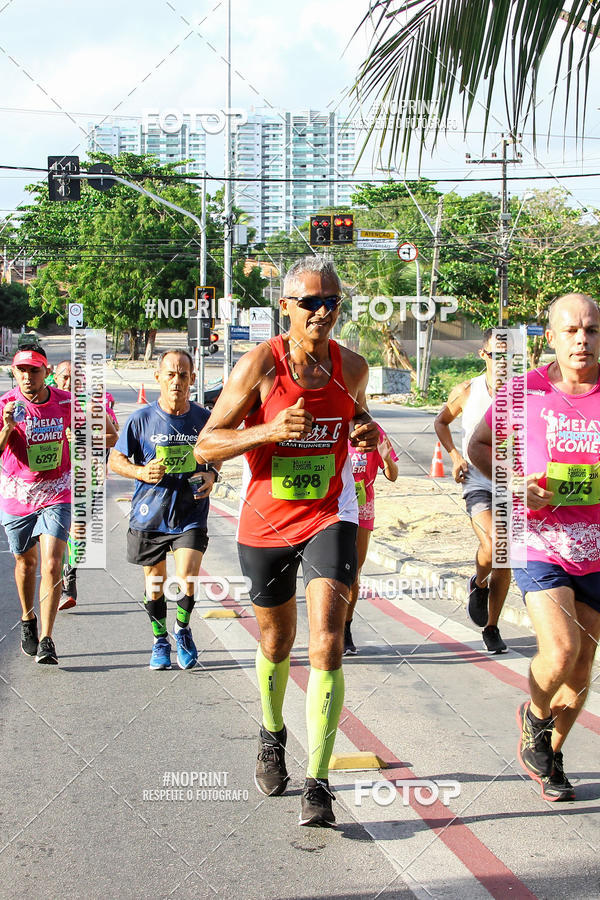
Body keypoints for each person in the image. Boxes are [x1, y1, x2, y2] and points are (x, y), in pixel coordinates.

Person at [194, 256, 379, 827]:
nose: (322, 312)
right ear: (286, 306)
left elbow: (359, 422)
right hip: (267, 521)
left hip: (331, 513)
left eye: (332, 302)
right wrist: (270, 430)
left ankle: (319, 782)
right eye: (310, 303)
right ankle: (272, 732)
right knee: (277, 642)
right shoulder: (261, 366)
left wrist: (367, 431)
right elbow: (206, 444)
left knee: (326, 641)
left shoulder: (353, 367)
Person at [469, 293, 600, 801]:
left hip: (596, 545)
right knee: (561, 649)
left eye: (591, 330)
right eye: (571, 330)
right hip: (540, 540)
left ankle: (552, 754)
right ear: (550, 337)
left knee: (583, 663)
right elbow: (482, 445)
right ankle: (535, 715)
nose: (582, 340)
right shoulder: (526, 391)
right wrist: (512, 481)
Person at [110, 350, 218, 671]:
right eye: (170, 374)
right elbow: (115, 460)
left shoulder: (203, 419)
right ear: (157, 377)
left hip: (190, 512)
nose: (177, 381)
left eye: (183, 375)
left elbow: (218, 449)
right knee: (155, 584)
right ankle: (160, 640)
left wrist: (212, 473)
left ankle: (182, 631)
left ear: (192, 380)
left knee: (187, 577)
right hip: (150, 514)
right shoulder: (140, 420)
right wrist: (141, 472)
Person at [434, 330, 511, 653]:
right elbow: (441, 422)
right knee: (493, 545)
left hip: (511, 482)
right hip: (477, 479)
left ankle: (492, 627)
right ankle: (479, 583)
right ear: (484, 355)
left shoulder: (524, 393)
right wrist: (453, 456)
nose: (502, 363)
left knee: (505, 559)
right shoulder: (468, 390)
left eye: (508, 357)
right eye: (496, 356)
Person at [1, 346, 71, 664]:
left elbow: (105, 435)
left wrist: (82, 435)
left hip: (57, 492)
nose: (28, 377)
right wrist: (7, 426)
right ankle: (28, 619)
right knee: (25, 565)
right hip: (18, 495)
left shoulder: (65, 401)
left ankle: (47, 639)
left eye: (34, 370)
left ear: (47, 372)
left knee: (52, 564)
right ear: (14, 373)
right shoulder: (6, 405)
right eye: (21, 371)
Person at [54, 360, 119, 611]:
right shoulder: (47, 405)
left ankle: (69, 579)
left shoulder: (91, 407)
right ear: (56, 379)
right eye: (64, 378)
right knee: (56, 536)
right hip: (51, 483)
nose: (69, 383)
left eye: (74, 378)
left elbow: (113, 438)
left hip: (84, 479)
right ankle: (58, 579)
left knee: (78, 531)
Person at [344, 424, 398, 654]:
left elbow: (393, 475)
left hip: (362, 505)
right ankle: (329, 628)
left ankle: (345, 628)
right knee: (332, 570)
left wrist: (386, 459)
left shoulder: (373, 431)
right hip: (332, 505)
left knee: (353, 571)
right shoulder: (329, 424)